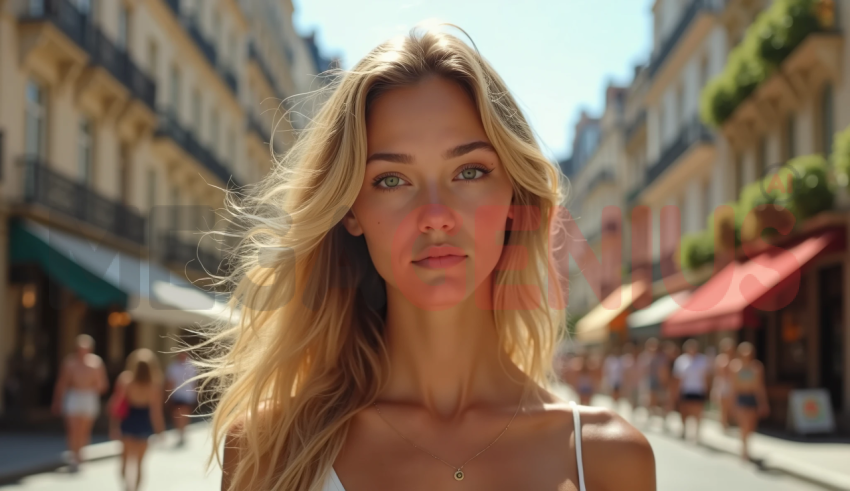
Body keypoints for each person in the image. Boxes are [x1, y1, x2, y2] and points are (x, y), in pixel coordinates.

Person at [206, 25, 655, 491]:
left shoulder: (607, 459)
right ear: (350, 211)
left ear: (514, 200)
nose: (435, 216)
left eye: (469, 171)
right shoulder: (269, 450)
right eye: (391, 179)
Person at [109, 349, 166, 491]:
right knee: (140, 463)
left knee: (125, 460)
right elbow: (156, 412)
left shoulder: (126, 380)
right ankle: (134, 489)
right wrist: (160, 430)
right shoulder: (154, 385)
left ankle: (127, 487)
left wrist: (113, 426)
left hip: (128, 420)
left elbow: (117, 405)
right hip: (144, 422)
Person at [51, 334, 109, 472]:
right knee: (73, 429)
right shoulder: (70, 363)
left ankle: (81, 455)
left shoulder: (96, 363)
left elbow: (103, 385)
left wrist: (94, 385)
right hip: (74, 396)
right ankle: (73, 456)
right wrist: (57, 401)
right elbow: (62, 383)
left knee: (84, 429)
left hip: (89, 396)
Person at [730, 342, 769, 461]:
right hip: (741, 397)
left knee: (751, 425)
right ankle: (744, 450)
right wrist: (732, 403)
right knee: (744, 424)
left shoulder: (757, 367)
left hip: (752, 397)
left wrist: (764, 403)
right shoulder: (735, 367)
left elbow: (760, 387)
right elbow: (733, 387)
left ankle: (747, 445)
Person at [671, 339, 711, 443]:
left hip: (698, 390)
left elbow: (706, 377)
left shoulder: (703, 360)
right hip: (685, 390)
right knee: (684, 411)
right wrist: (675, 392)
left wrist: (707, 390)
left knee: (698, 412)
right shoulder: (681, 361)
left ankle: (697, 433)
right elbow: (677, 378)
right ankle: (684, 429)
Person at [165, 352, 198, 447]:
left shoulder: (190, 367)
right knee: (179, 414)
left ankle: (182, 431)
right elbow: (170, 382)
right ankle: (181, 431)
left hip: (187, 395)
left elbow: (194, 383)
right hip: (178, 394)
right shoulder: (174, 367)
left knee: (183, 414)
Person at [637, 338, 668, 425]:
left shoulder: (661, 357)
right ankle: (650, 416)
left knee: (660, 401)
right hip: (648, 381)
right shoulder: (644, 357)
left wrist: (664, 382)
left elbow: (663, 371)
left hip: (659, 381)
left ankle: (662, 418)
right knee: (649, 400)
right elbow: (642, 371)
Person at [712, 338, 736, 431]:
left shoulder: (734, 359)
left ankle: (728, 422)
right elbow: (718, 374)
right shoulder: (720, 359)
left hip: (732, 384)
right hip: (722, 384)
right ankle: (723, 423)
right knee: (723, 406)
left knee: (731, 405)